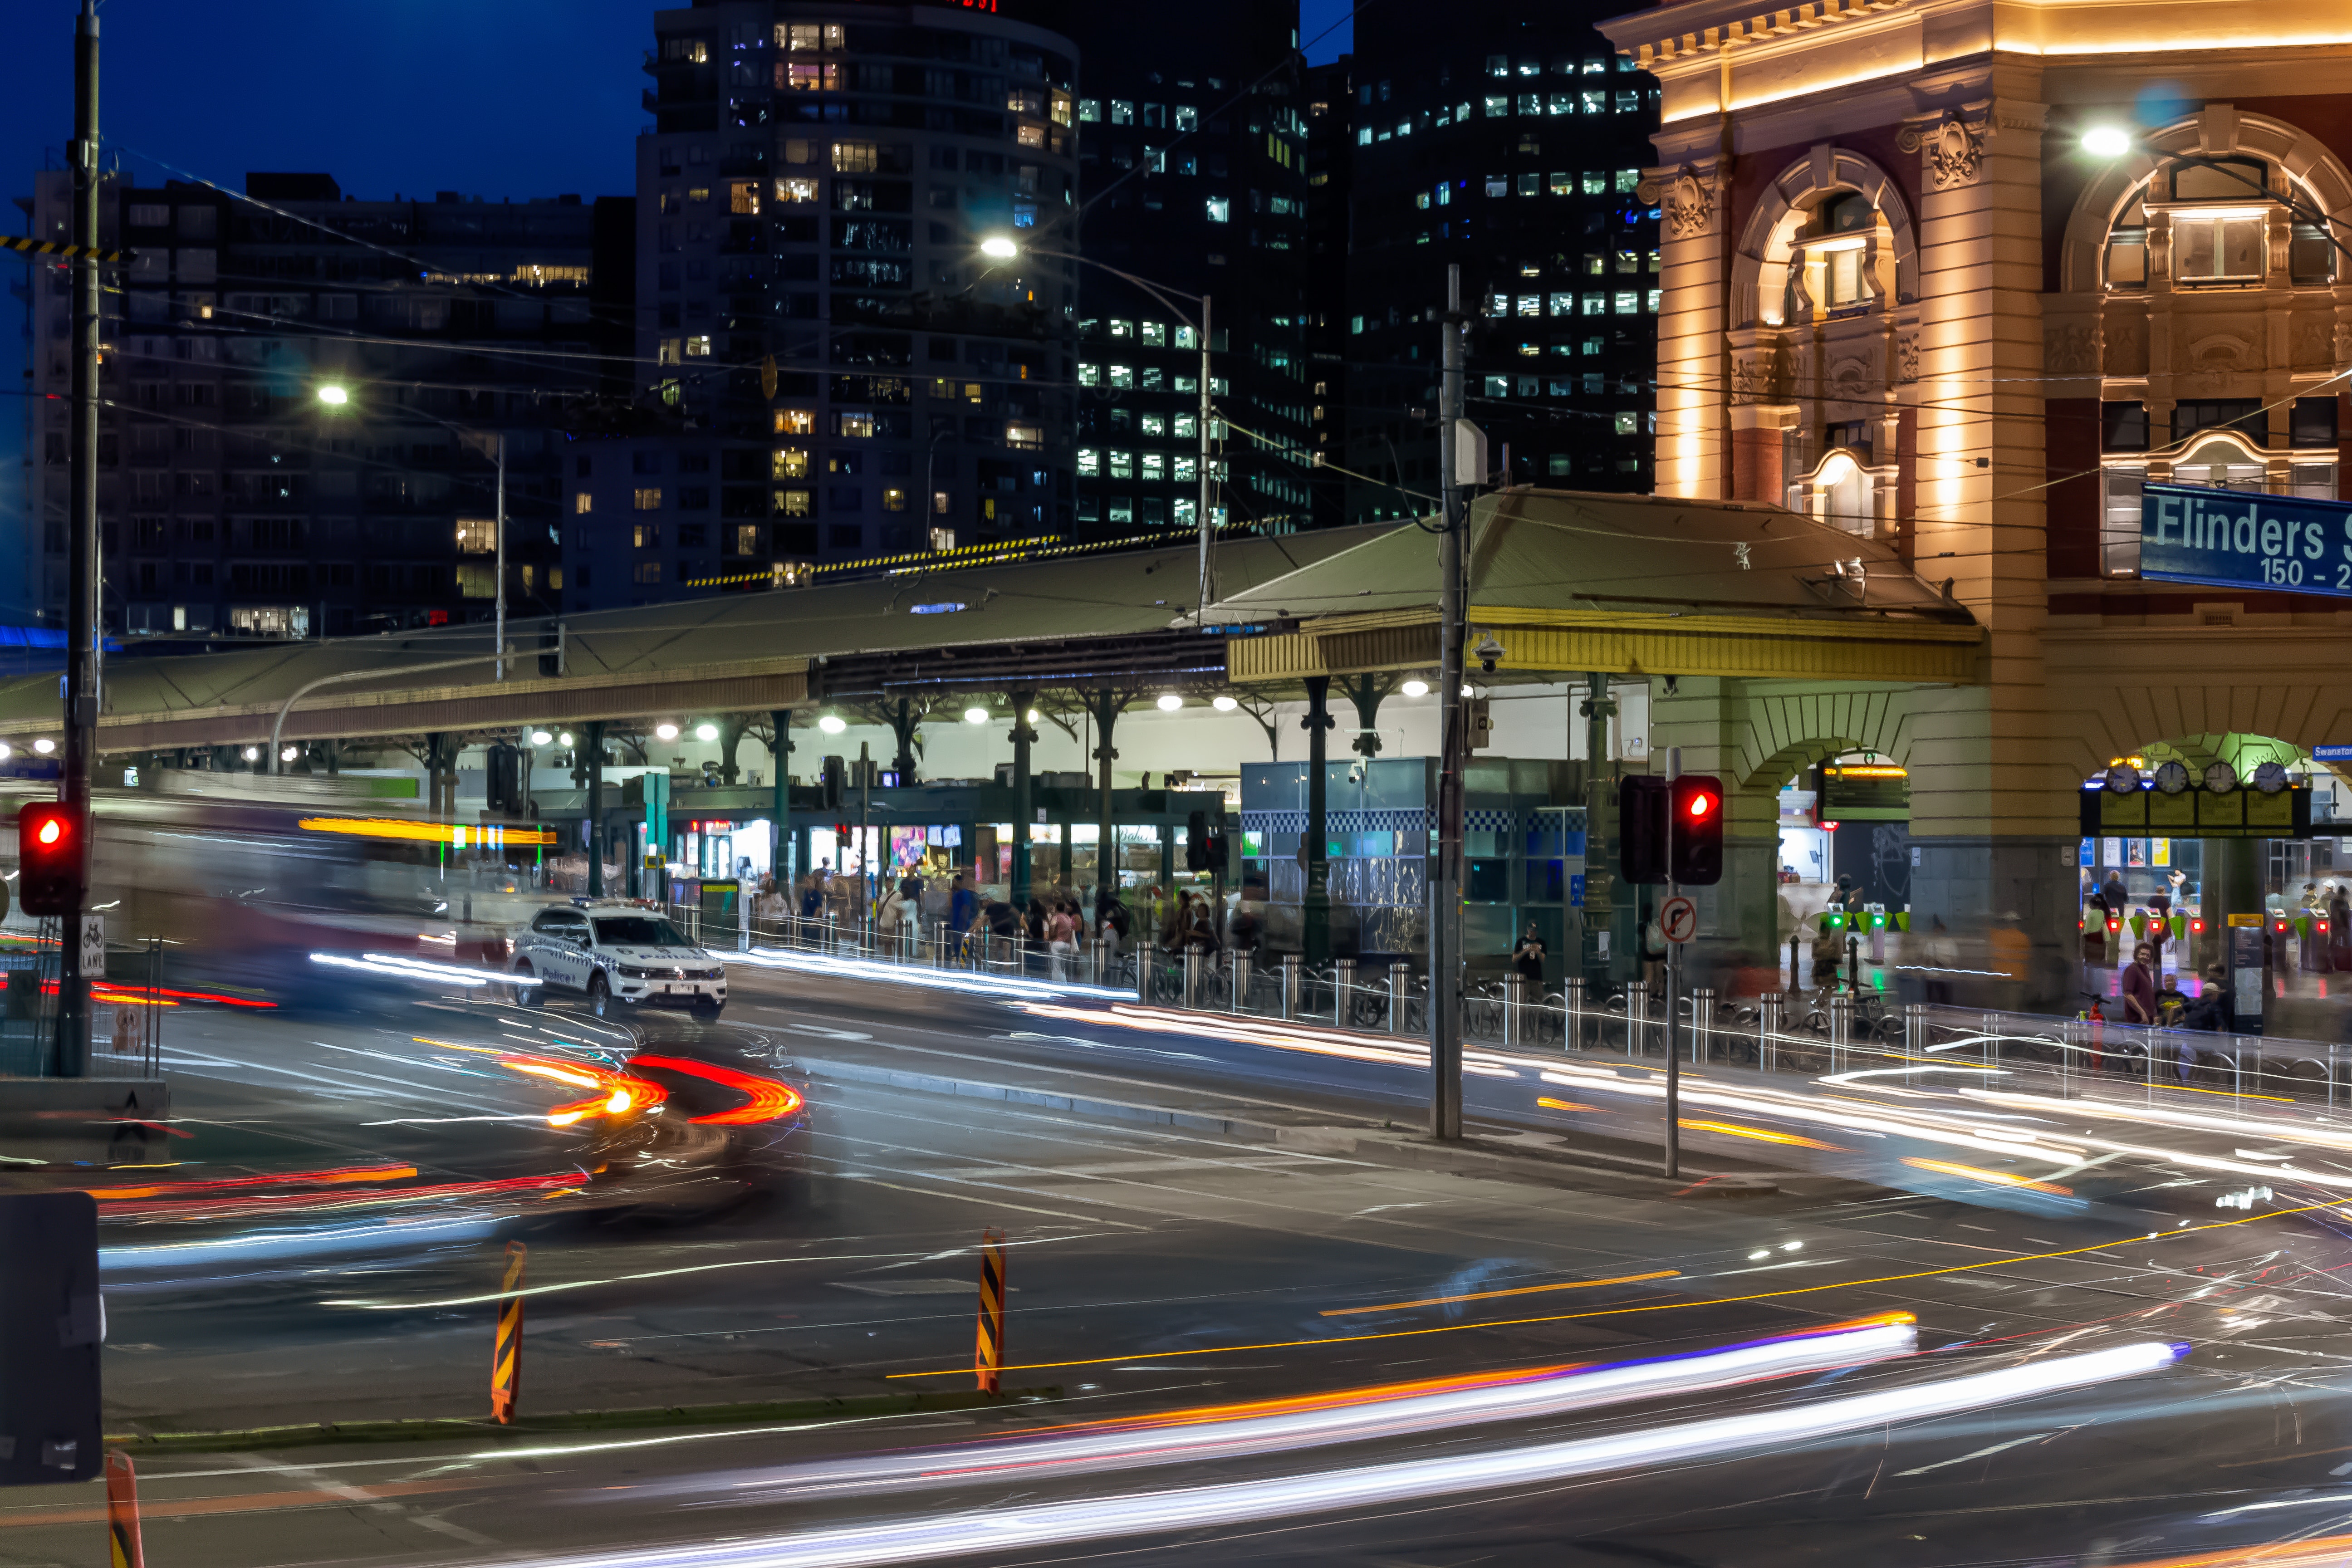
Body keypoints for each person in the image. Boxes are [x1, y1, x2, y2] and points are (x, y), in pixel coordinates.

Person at [2119, 940, 2159, 1026]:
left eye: (2148, 955)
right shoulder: (2132, 970)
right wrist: (2142, 1013)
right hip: (2137, 1019)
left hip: (2148, 1018)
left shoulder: (2145, 969)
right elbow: (2128, 994)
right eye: (2142, 954)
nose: (2145, 957)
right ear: (2137, 955)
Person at [1511, 923, 1547, 989]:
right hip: (1523, 975)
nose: (1533, 933)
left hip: (1537, 976)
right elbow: (1514, 959)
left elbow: (1543, 960)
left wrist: (1538, 951)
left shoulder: (1541, 942)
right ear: (1528, 930)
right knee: (1523, 996)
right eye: (1531, 930)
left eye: (1535, 931)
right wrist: (1526, 951)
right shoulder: (1521, 941)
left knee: (1538, 996)